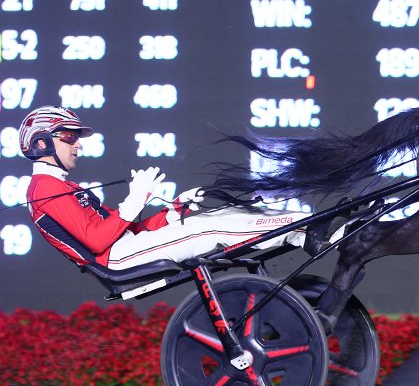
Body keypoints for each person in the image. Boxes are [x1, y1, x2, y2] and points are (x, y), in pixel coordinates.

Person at [19, 105, 327, 270]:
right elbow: (98, 242)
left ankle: (301, 226)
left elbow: (129, 231)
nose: (77, 145)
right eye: (69, 137)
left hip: (125, 249)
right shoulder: (43, 189)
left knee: (211, 217)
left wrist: (173, 210)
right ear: (42, 142)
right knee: (207, 231)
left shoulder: (62, 186)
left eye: (76, 138)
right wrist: (133, 201)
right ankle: (303, 231)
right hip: (116, 260)